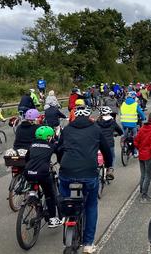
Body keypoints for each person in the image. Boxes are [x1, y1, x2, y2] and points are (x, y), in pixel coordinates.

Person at [57, 106, 113, 254]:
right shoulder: (96, 129)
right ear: (89, 116)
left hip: (67, 172)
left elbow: (59, 148)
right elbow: (106, 150)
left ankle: (65, 215)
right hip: (89, 173)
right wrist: (109, 166)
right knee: (90, 206)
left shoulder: (67, 129)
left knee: (64, 195)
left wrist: (62, 162)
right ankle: (88, 244)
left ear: (75, 115)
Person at [24, 126, 63, 228]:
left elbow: (27, 158)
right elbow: (59, 152)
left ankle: (32, 194)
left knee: (33, 179)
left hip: (28, 171)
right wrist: (60, 162)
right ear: (49, 137)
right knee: (50, 195)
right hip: (42, 173)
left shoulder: (32, 144)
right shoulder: (51, 145)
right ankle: (52, 219)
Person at [134, 111, 151, 204]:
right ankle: (144, 195)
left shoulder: (142, 128)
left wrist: (140, 149)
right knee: (148, 176)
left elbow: (136, 141)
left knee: (143, 174)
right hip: (149, 155)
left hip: (142, 154)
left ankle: (142, 191)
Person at [96, 106, 123, 179]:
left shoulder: (97, 121)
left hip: (99, 143)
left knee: (97, 155)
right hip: (109, 143)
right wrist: (120, 134)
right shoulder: (112, 122)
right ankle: (110, 170)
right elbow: (120, 130)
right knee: (112, 156)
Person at [120, 92, 146, 157]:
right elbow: (140, 112)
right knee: (135, 137)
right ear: (133, 98)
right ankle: (135, 152)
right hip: (132, 123)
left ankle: (124, 146)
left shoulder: (123, 104)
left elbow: (121, 112)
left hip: (124, 122)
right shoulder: (135, 104)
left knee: (125, 135)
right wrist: (144, 118)